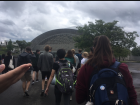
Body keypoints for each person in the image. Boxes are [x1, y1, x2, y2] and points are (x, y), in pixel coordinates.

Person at [76, 35, 138, 105]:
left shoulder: (86, 68)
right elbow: (131, 93)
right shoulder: (122, 67)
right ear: (110, 49)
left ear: (93, 49)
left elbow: (79, 99)